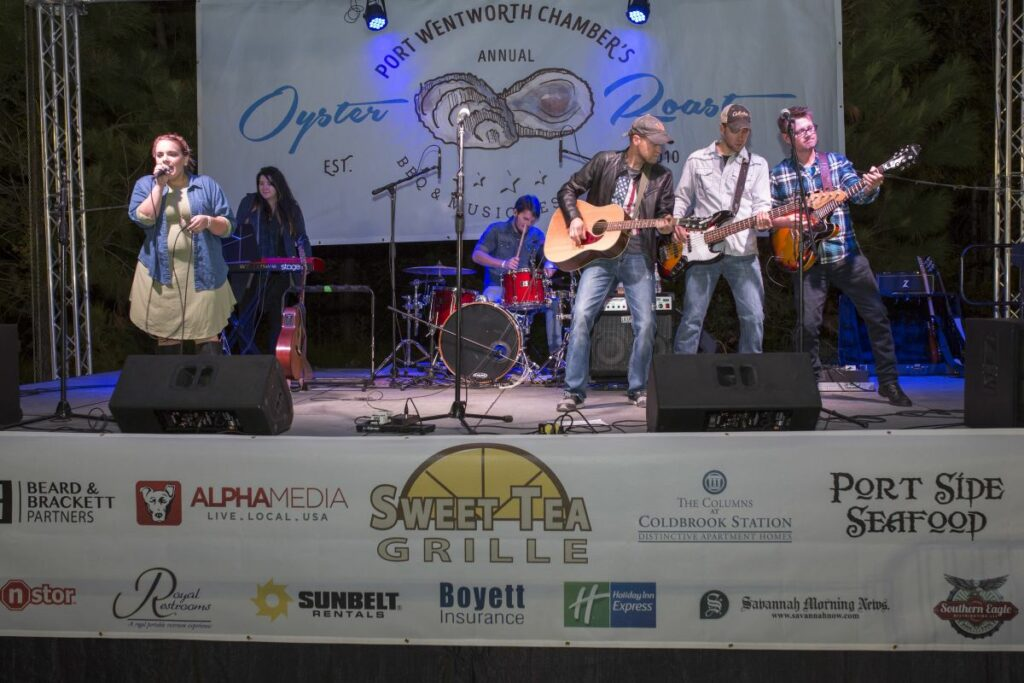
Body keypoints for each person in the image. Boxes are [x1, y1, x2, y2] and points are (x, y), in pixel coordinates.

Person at [768, 106, 912, 406]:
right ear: (787, 137)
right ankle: (808, 384)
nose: (809, 133)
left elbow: (858, 194)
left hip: (846, 255)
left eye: (812, 127)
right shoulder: (780, 174)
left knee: (877, 316)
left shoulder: (834, 163)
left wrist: (870, 185)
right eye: (801, 130)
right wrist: (796, 222)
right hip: (806, 259)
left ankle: (888, 382)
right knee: (807, 326)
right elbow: (768, 217)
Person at [554, 114, 676, 411]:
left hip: (637, 254)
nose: (660, 149)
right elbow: (567, 190)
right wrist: (575, 219)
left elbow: (666, 217)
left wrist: (666, 227)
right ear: (636, 140)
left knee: (646, 324)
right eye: (655, 143)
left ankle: (638, 388)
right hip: (599, 254)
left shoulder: (662, 176)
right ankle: (573, 391)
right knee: (581, 316)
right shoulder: (604, 162)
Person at [672, 104, 772, 355]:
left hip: (742, 252)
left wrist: (763, 218)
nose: (742, 136)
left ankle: (751, 376)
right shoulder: (697, 159)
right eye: (736, 130)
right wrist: (677, 223)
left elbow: (763, 204)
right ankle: (678, 379)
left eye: (746, 131)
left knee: (754, 317)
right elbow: (682, 198)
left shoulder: (758, 164)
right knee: (693, 317)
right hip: (701, 249)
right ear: (722, 128)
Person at [128, 132, 235, 355]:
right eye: (159, 155)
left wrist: (208, 221)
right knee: (166, 336)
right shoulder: (146, 185)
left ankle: (210, 388)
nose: (165, 159)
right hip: (160, 274)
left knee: (206, 332)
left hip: (204, 272)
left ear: (185, 158)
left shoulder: (206, 185)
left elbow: (228, 227)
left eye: (172, 154)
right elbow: (142, 218)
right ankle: (172, 389)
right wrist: (159, 186)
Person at [227, 166, 311, 354]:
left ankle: (276, 363)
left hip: (279, 274)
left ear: (278, 185)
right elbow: (237, 233)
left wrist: (305, 262)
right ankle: (247, 363)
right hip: (250, 275)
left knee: (277, 320)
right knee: (245, 322)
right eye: (261, 183)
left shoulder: (291, 209)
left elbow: (302, 237)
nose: (264, 187)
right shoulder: (249, 203)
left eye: (269, 183)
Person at [471, 195, 562, 355]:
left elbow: (550, 257)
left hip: (526, 291)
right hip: (498, 287)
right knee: (489, 299)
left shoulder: (536, 235)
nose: (527, 224)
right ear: (515, 212)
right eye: (524, 219)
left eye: (532, 221)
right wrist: (503, 263)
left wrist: (550, 266)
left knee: (554, 303)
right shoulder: (496, 230)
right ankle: (492, 355)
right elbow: (477, 255)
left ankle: (555, 357)